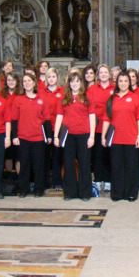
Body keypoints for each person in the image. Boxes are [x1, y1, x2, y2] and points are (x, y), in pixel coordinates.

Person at [54, 71, 96, 201]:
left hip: (84, 134)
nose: (75, 84)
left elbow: (92, 117)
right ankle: (70, 193)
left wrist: (92, 136)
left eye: (77, 81)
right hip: (68, 136)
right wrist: (56, 136)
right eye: (72, 81)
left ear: (81, 83)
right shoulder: (64, 98)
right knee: (68, 164)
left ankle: (85, 193)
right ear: (69, 83)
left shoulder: (87, 97)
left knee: (84, 164)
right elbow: (59, 117)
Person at [102, 71, 139, 202]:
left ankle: (131, 193)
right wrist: (103, 136)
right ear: (116, 83)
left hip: (131, 138)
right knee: (116, 166)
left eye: (126, 81)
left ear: (129, 83)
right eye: (120, 81)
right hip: (115, 139)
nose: (123, 83)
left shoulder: (135, 97)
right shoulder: (111, 99)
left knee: (131, 167)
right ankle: (117, 193)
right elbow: (106, 119)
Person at [12, 73, 48, 197]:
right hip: (23, 137)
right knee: (24, 165)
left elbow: (46, 118)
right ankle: (23, 189)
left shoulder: (41, 99)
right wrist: (14, 136)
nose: (27, 83)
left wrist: (48, 136)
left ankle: (39, 189)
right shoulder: (18, 99)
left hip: (38, 137)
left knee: (38, 165)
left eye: (29, 81)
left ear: (34, 83)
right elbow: (14, 119)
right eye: (25, 81)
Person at [87, 64, 115, 192]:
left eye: (105, 72)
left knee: (109, 154)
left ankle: (109, 179)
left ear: (109, 75)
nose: (103, 75)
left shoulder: (114, 88)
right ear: (98, 75)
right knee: (97, 155)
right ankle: (98, 179)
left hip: (111, 126)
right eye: (101, 72)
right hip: (97, 125)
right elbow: (88, 106)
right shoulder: (92, 89)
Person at [41, 67, 64, 190]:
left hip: (58, 126)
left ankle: (57, 181)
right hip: (45, 127)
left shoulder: (63, 91)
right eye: (49, 77)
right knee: (44, 155)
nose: (51, 79)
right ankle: (45, 181)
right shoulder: (41, 92)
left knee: (57, 156)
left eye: (53, 76)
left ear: (57, 78)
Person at [1, 71, 21, 173]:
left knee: (18, 155)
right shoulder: (2, 94)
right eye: (9, 80)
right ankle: (9, 178)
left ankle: (19, 178)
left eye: (13, 80)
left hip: (19, 126)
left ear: (17, 81)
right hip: (5, 127)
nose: (11, 82)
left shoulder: (21, 94)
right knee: (7, 154)